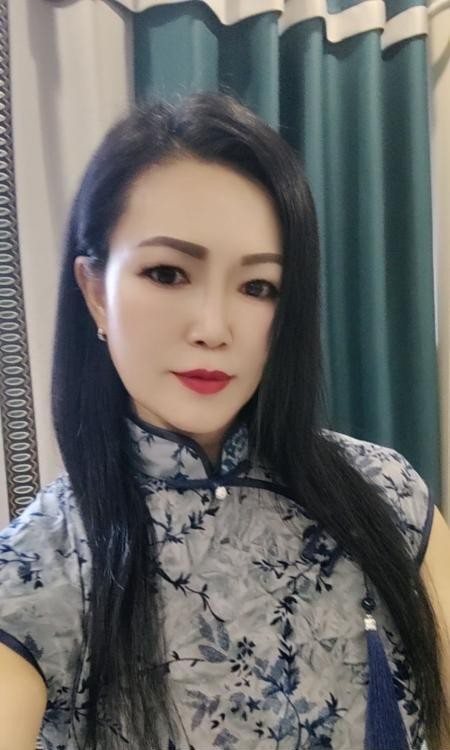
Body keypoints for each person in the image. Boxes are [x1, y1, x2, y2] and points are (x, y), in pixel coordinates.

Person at [0, 92, 449, 750]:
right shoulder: (40, 568)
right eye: (167, 273)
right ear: (95, 292)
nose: (214, 328)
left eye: (258, 286)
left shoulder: (387, 496)